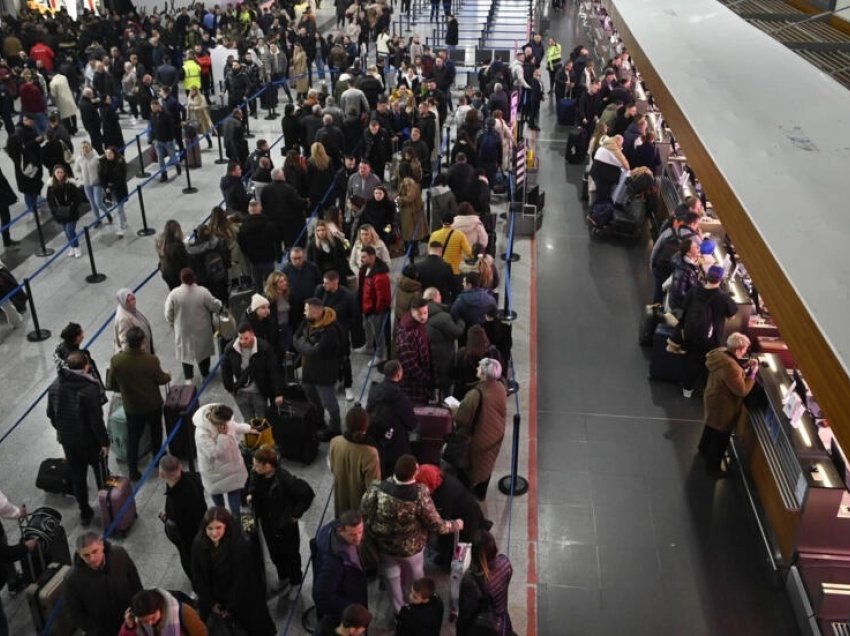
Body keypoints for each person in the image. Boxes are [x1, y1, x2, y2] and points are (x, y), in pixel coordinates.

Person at [361, 454, 463, 614]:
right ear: (415, 472)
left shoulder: (377, 488)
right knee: (415, 576)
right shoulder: (420, 494)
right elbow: (436, 525)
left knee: (391, 576)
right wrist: (455, 525)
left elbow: (365, 512)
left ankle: (398, 611)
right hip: (412, 549)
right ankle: (415, 606)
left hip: (384, 546)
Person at [191, 507, 276, 635]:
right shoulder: (199, 543)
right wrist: (211, 603)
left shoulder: (240, 544)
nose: (214, 533)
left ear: (226, 526)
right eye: (210, 528)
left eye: (218, 528)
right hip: (216, 600)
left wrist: (228, 607)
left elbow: (242, 578)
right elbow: (197, 575)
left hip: (243, 600)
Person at [46, 351, 108, 526]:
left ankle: (85, 513)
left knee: (78, 477)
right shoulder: (89, 389)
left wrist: (64, 431)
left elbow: (51, 414)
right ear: (86, 366)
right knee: (101, 474)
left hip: (68, 442)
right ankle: (107, 508)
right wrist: (105, 442)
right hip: (90, 442)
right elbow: (96, 421)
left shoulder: (55, 386)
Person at [248, 445, 315, 596]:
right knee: (275, 553)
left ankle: (295, 582)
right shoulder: (257, 474)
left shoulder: (285, 479)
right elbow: (252, 483)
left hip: (285, 526)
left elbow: (307, 493)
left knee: (291, 554)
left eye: (257, 465)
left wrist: (295, 514)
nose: (254, 468)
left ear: (268, 465)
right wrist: (252, 494)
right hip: (268, 524)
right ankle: (283, 578)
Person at [107, 326, 170, 481]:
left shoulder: (117, 360)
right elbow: (160, 379)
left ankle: (133, 470)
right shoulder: (151, 360)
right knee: (156, 431)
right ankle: (156, 458)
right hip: (152, 405)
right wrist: (168, 375)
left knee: (133, 437)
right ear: (142, 342)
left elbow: (111, 384)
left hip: (132, 407)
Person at [699, 332, 758, 477]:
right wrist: (752, 374)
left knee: (710, 426)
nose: (745, 352)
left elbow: (730, 374)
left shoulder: (719, 354)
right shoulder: (731, 367)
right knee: (721, 435)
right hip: (723, 406)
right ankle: (713, 468)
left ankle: (703, 448)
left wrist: (743, 366)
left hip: (713, 397)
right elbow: (741, 390)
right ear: (738, 350)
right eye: (744, 350)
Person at [65, 532, 143, 636]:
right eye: (86, 555)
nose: (92, 559)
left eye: (95, 551)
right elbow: (75, 614)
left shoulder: (120, 554)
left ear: (101, 545)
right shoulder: (73, 579)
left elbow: (135, 583)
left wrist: (139, 610)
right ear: (79, 554)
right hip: (103, 631)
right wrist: (97, 630)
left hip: (130, 621)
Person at [678, 266, 738, 398]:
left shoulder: (693, 291)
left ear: (706, 275)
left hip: (691, 333)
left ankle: (687, 389)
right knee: (709, 363)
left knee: (691, 360)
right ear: (721, 279)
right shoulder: (723, 298)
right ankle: (706, 390)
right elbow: (732, 315)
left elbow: (684, 306)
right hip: (711, 338)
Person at [415, 463, 489, 568]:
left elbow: (441, 525)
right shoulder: (442, 479)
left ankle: (447, 564)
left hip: (465, 522)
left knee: (448, 544)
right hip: (469, 512)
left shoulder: (443, 496)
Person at [454, 357, 508, 500]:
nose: (477, 367)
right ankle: (481, 493)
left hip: (478, 440)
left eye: (479, 367)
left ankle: (466, 496)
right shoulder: (501, 387)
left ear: (484, 375)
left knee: (468, 470)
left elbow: (462, 418)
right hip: (495, 436)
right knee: (487, 466)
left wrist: (454, 410)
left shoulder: (475, 395)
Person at [294, 297, 346, 440]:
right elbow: (295, 338)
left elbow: (314, 352)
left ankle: (335, 428)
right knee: (311, 397)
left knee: (329, 402)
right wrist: (306, 346)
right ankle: (319, 420)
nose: (304, 313)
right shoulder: (307, 321)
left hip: (324, 374)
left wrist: (302, 345)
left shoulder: (331, 330)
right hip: (308, 370)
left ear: (316, 312)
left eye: (306, 310)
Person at [193, 404, 254, 516]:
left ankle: (235, 522)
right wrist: (223, 436)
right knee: (219, 505)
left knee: (234, 494)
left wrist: (250, 429)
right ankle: (223, 520)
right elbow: (214, 453)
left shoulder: (224, 419)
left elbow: (235, 426)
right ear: (220, 422)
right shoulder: (202, 433)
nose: (228, 423)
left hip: (232, 469)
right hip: (215, 473)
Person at [312, 511, 370, 629]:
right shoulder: (333, 561)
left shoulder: (334, 529)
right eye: (353, 534)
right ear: (340, 530)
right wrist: (353, 611)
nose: (358, 538)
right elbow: (322, 596)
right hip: (348, 608)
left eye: (360, 531)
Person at [164, 268, 223, 382]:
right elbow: (214, 305)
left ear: (181, 279)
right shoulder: (202, 292)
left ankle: (188, 378)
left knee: (185, 355)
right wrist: (220, 305)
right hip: (202, 329)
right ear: (194, 277)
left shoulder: (174, 294)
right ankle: (205, 373)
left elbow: (168, 314)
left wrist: (172, 322)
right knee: (203, 352)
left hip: (183, 330)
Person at [157, 454, 207, 587]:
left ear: (161, 474)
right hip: (202, 524)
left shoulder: (176, 501)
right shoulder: (193, 477)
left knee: (191, 565)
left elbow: (180, 528)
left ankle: (200, 588)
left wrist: (167, 520)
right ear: (180, 466)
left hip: (188, 540)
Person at [315, 270, 360, 402]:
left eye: (327, 283)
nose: (324, 285)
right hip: (323, 332)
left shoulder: (348, 296)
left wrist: (344, 328)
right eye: (324, 282)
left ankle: (347, 385)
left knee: (344, 359)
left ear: (335, 282)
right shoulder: (320, 290)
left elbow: (355, 316)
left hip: (341, 333)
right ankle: (334, 380)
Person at [457, 530, 514, 636]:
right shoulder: (505, 563)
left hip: (484, 628)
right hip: (502, 622)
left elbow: (465, 615)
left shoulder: (470, 581)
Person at [366, 360, 417, 478]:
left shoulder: (374, 389)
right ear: (399, 374)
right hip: (396, 443)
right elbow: (412, 422)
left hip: (377, 439)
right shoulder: (399, 396)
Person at [422, 287, 465, 398]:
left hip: (425, 357)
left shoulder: (419, 312)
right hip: (443, 357)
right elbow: (457, 332)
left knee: (429, 385)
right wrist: (461, 321)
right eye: (439, 295)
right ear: (435, 297)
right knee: (446, 386)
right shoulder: (443, 317)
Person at [118, 588, 207, 636]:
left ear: (160, 607)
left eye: (153, 618)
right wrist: (129, 628)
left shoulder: (183, 612)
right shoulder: (135, 620)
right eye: (144, 621)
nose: (150, 623)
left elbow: (201, 633)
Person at [394, 298, 434, 405]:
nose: (423, 316)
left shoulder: (417, 324)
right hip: (413, 386)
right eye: (419, 313)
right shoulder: (406, 333)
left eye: (425, 313)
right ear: (412, 311)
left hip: (420, 382)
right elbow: (410, 365)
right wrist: (427, 379)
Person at [357, 246, 392, 361]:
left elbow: (383, 298)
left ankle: (380, 355)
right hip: (366, 307)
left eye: (363, 257)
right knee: (366, 328)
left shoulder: (380, 276)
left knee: (378, 334)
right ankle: (369, 346)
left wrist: (376, 311)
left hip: (375, 311)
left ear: (372, 257)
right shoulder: (365, 269)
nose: (361, 259)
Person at [238, 200, 280, 291]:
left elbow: (241, 243)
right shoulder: (268, 223)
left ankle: (260, 298)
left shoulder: (244, 226)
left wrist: (248, 255)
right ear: (260, 209)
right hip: (268, 257)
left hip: (254, 260)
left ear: (249, 210)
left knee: (257, 283)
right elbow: (276, 237)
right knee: (271, 281)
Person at [46, 164, 85, 258]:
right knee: (66, 231)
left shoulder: (70, 184)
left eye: (61, 172)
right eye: (57, 172)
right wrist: (54, 211)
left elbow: (78, 198)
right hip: (60, 213)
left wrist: (72, 207)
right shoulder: (51, 186)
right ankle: (72, 246)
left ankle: (76, 247)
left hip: (71, 212)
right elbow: (50, 201)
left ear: (64, 173)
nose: (60, 174)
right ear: (54, 174)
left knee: (70, 231)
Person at [98, 146, 129, 236]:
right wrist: (105, 187)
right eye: (107, 153)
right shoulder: (103, 163)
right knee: (118, 209)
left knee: (119, 209)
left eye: (110, 153)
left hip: (119, 189)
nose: (108, 155)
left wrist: (110, 187)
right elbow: (101, 177)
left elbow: (121, 179)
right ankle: (122, 223)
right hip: (111, 190)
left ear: (114, 154)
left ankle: (121, 226)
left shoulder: (120, 162)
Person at [430, 211, 472, 277]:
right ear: (453, 221)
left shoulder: (434, 235)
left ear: (441, 221)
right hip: (454, 270)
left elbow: (430, 252)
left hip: (439, 270)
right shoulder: (460, 235)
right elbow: (469, 252)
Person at [265, 271, 295, 353]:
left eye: (285, 280)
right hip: (275, 330)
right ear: (274, 284)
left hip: (287, 327)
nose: (285, 283)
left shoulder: (288, 295)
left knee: (290, 351)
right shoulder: (268, 299)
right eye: (281, 282)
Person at [155, 220, 190, 290]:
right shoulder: (177, 247)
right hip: (177, 276)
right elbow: (186, 262)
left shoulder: (162, 242)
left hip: (167, 273)